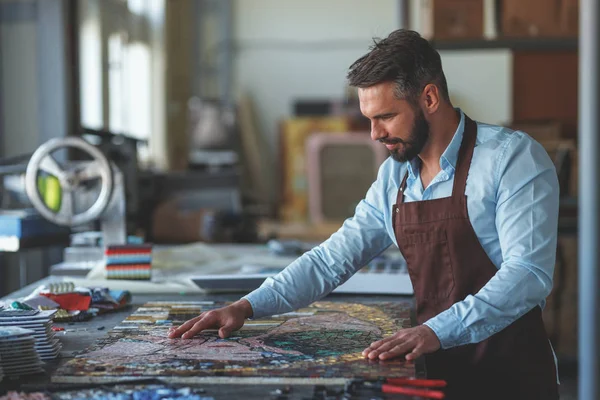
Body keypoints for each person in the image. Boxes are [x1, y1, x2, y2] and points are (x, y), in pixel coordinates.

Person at [169, 29, 559, 399]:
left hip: (508, 374)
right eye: (369, 119)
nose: (373, 134)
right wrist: (246, 306)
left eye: (385, 117)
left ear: (429, 99)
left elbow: (527, 275)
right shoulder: (395, 177)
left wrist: (435, 331)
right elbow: (331, 260)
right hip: (429, 369)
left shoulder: (512, 159)